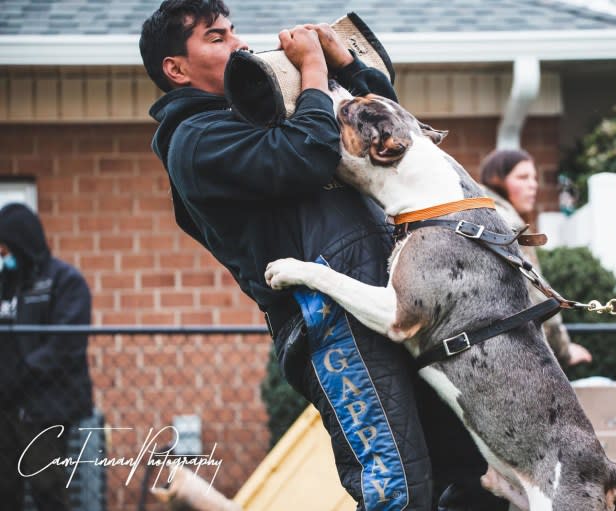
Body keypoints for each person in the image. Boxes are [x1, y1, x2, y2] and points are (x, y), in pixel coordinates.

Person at [140, 1, 504, 509]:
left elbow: (385, 135)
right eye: (217, 38)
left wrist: (345, 68)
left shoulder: (262, 106)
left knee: (472, 474)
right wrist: (311, 68)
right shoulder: (195, 142)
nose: (240, 44)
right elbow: (307, 155)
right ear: (175, 68)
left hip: (391, 300)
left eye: (234, 31)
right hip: (331, 323)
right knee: (395, 489)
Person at [0, 203, 94, 511]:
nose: (4, 258)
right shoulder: (5, 286)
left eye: (6, 250)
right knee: (5, 489)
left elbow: (65, 345)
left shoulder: (65, 282)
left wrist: (20, 373)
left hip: (47, 409)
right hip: (6, 408)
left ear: (22, 244)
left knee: (47, 490)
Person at [479, 149, 592, 367]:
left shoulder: (480, 213)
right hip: (512, 352)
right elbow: (538, 295)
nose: (533, 185)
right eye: (522, 177)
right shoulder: (508, 223)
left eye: (534, 178)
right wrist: (564, 350)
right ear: (496, 180)